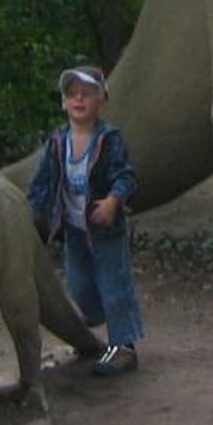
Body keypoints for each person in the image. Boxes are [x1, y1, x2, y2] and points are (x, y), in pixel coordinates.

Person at [26, 63, 146, 374]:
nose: (79, 100)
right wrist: (32, 214)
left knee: (114, 286)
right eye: (73, 95)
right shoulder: (58, 142)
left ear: (101, 100)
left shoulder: (109, 139)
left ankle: (122, 348)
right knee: (79, 286)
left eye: (87, 94)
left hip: (105, 228)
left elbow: (126, 175)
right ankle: (97, 316)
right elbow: (42, 183)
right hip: (73, 230)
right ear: (64, 103)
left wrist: (112, 201)